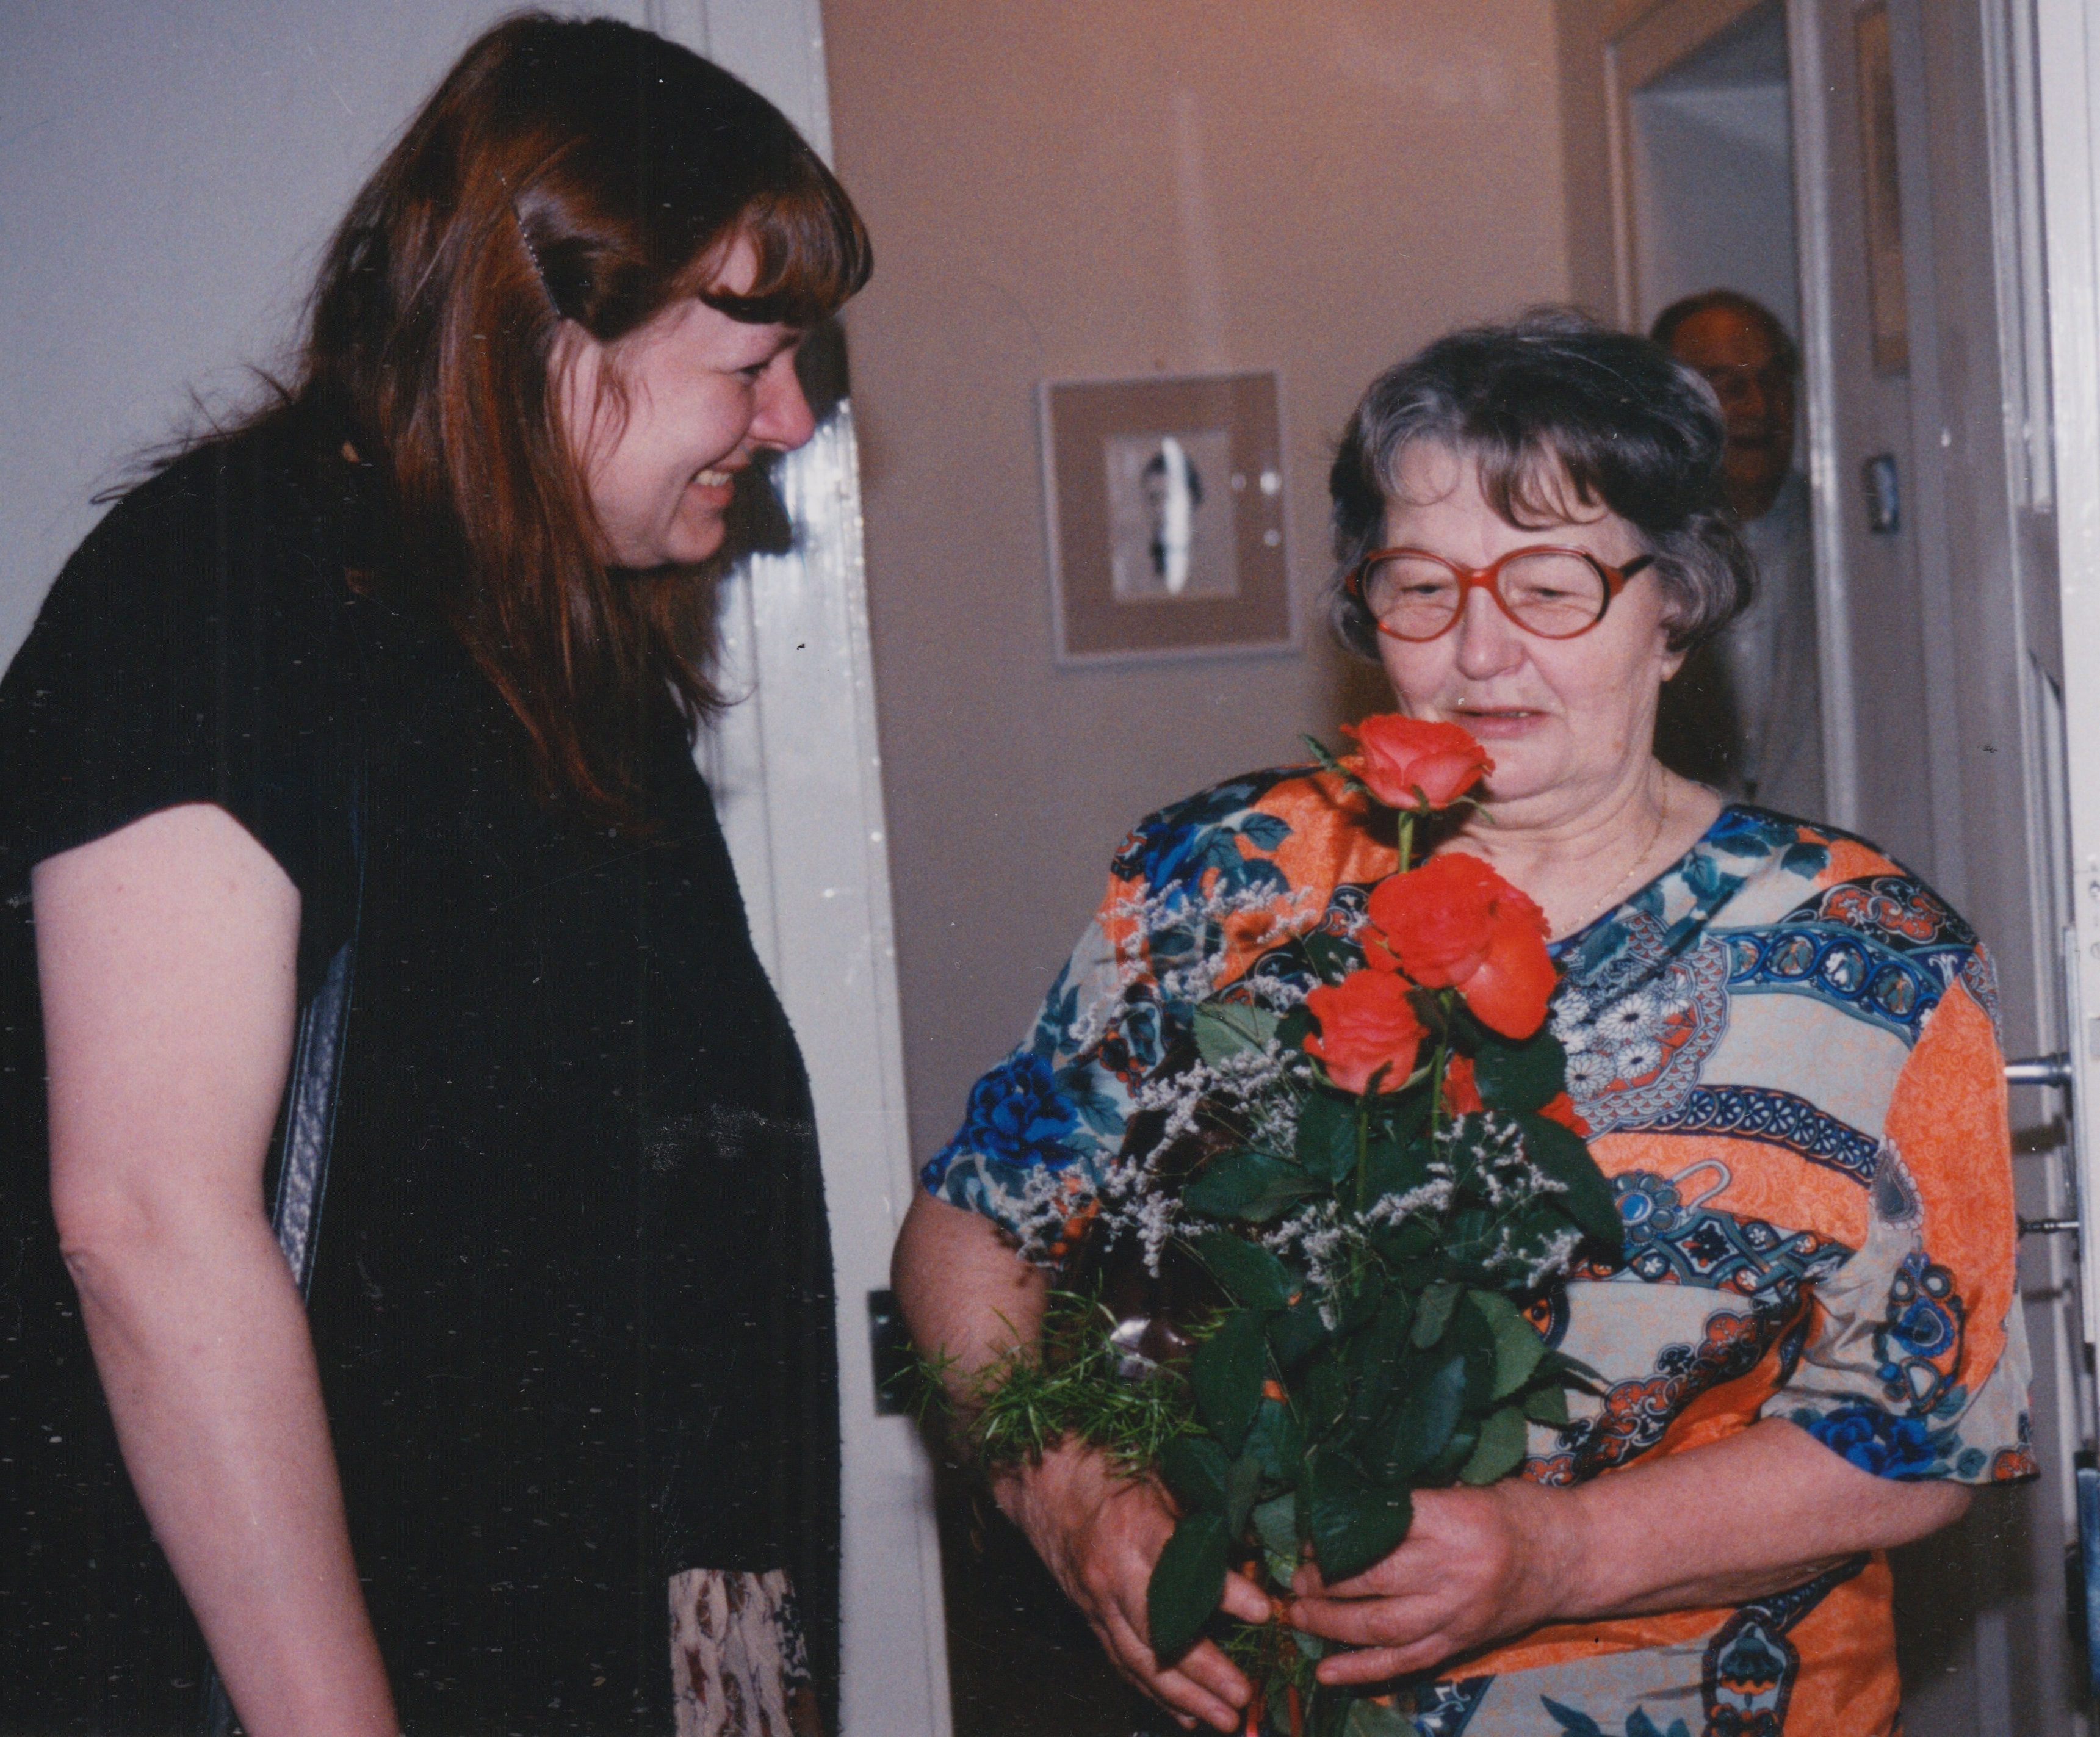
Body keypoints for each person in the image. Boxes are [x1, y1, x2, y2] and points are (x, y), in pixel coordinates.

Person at [894, 311, 2030, 1735]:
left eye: (1550, 585)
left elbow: (1925, 1428)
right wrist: (1068, 1497)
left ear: (1675, 606)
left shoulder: (1877, 958)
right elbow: (969, 1228)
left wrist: (1562, 1552)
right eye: (1421, 588)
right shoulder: (1230, 881)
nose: (1479, 652)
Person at [0, 15, 869, 1735]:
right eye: (754, 356)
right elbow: (147, 1221)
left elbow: (676, 1259)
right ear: (554, 328)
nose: (788, 419)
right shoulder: (220, 587)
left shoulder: (563, 663)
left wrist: (742, 1704)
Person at [1651, 289, 1824, 818]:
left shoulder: (1849, 543)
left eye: (1772, 382)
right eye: (1726, 385)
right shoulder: (1638, 550)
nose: (1759, 407)